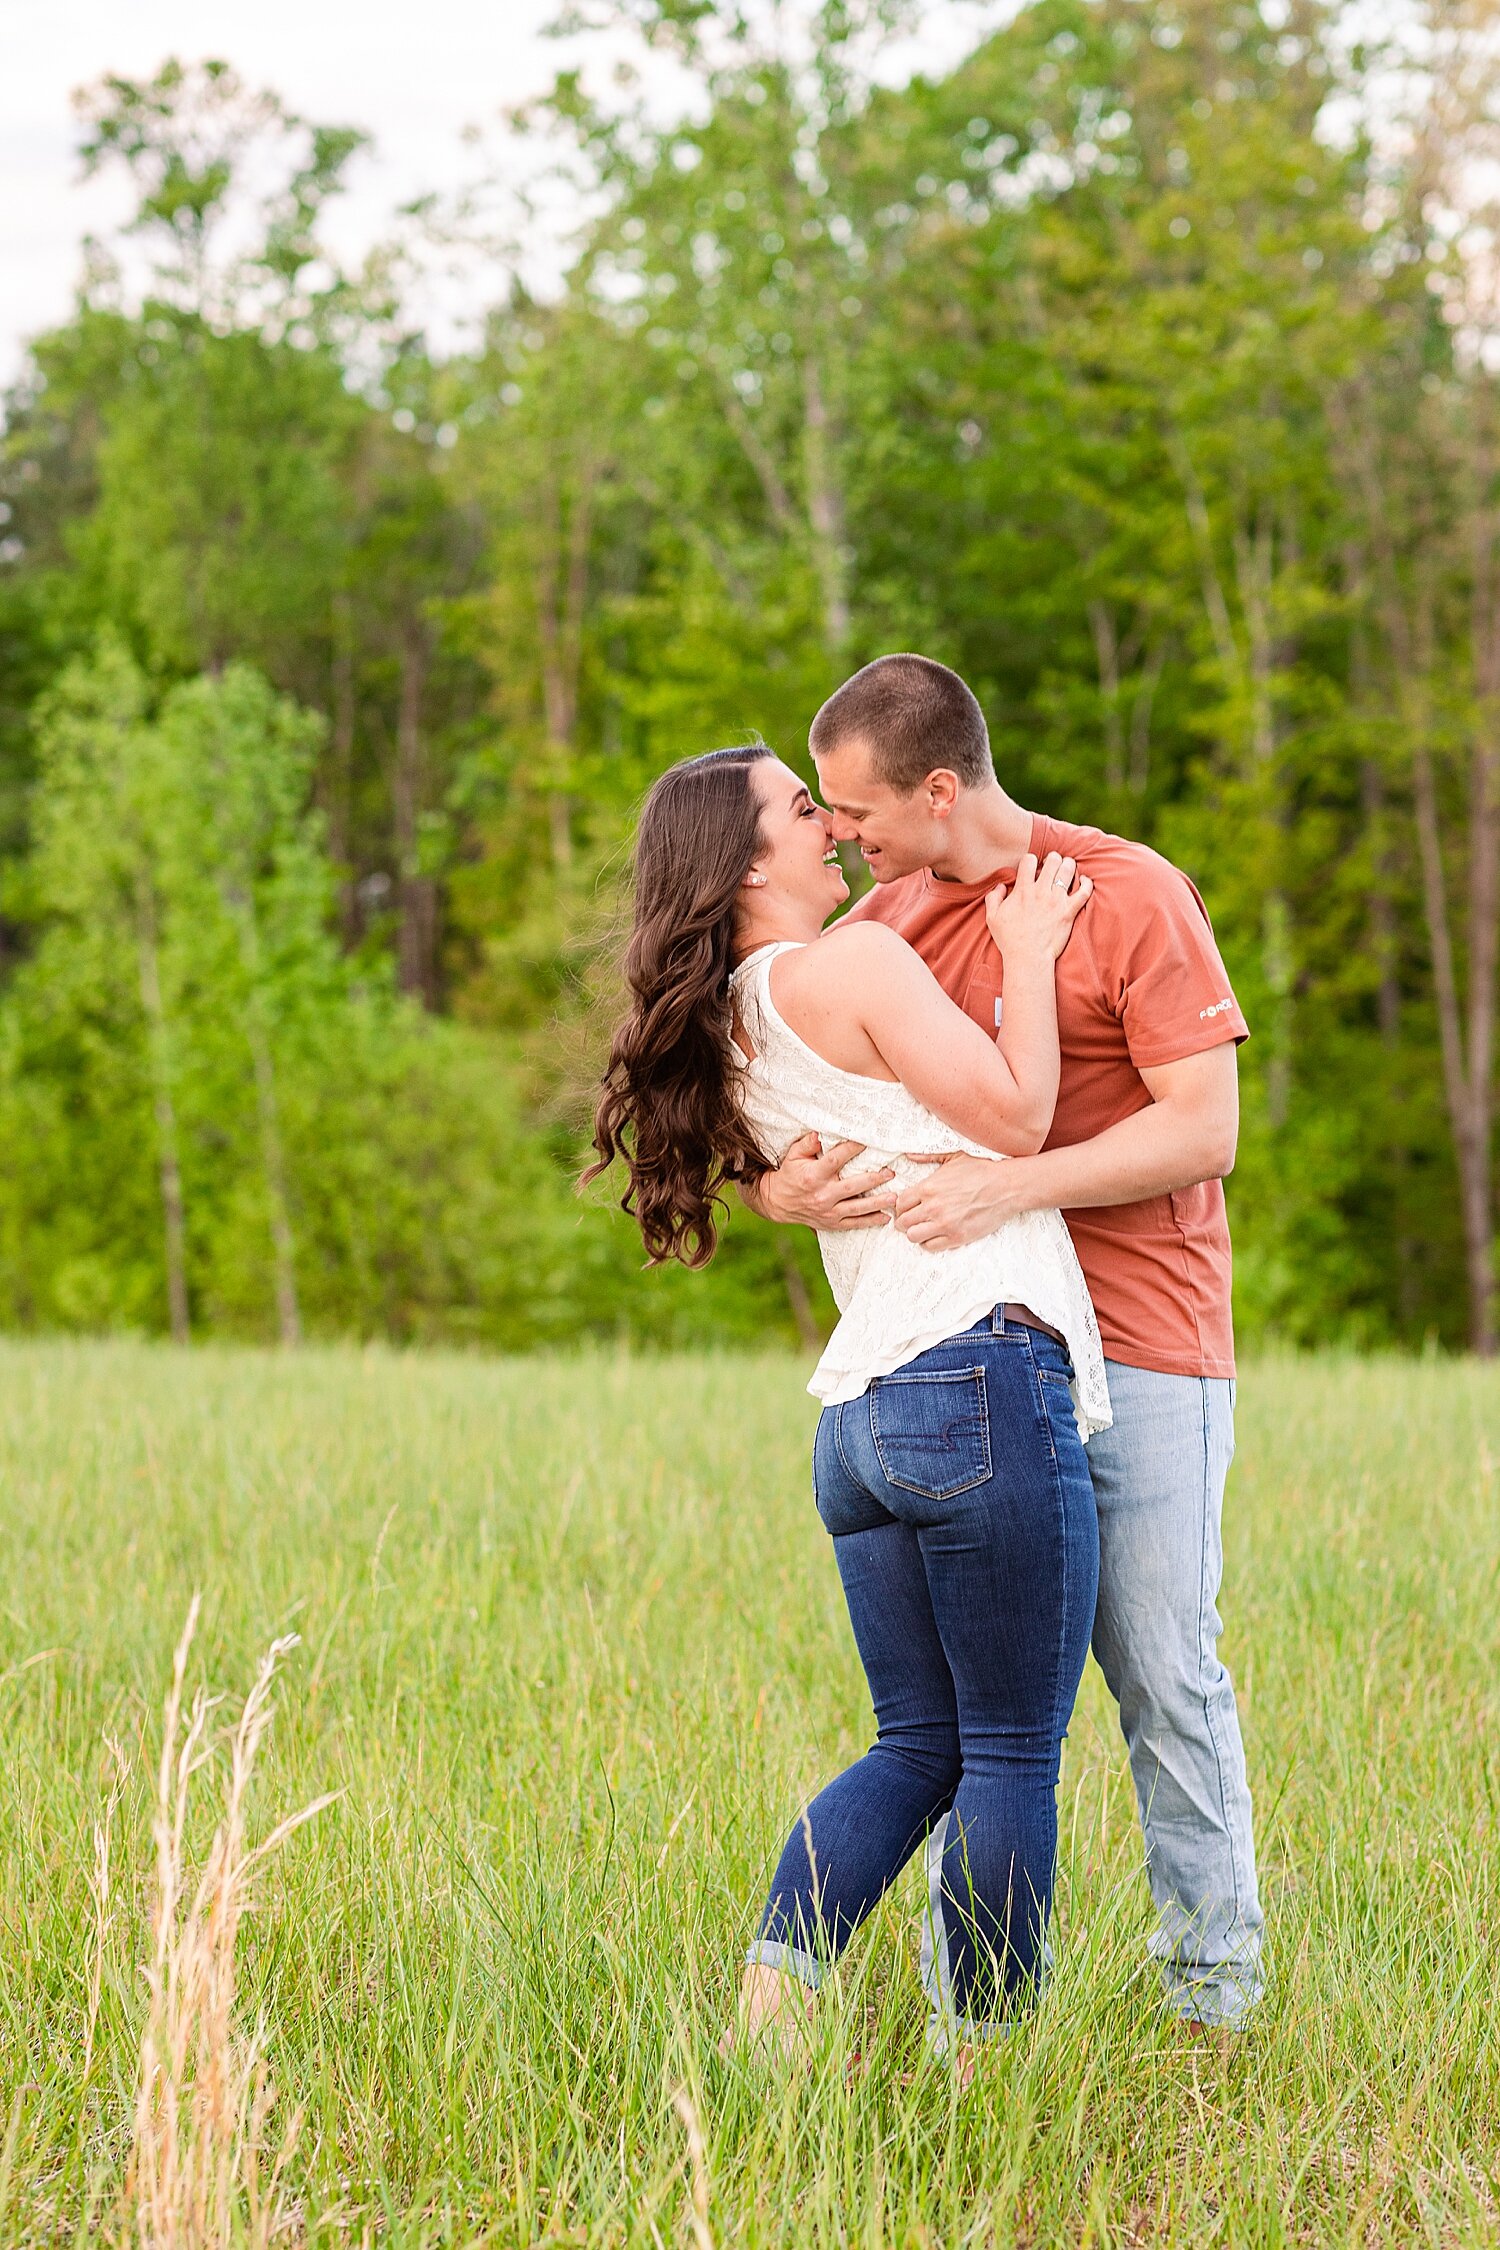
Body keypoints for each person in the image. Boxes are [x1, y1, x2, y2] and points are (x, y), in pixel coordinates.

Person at [744, 653, 1264, 2033]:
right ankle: (968, 2016)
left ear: (934, 787)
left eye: (852, 810)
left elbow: (1204, 1128)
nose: (839, 835)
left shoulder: (1124, 891)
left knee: (1160, 1668)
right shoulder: (892, 925)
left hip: (1142, 1338)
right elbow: (784, 1088)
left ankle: (1211, 1998)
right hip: (980, 1363)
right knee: (983, 1728)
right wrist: (774, 1189)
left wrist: (1010, 1186)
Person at [587, 741, 1108, 2065]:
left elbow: (768, 1166)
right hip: (979, 1367)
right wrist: (1035, 949)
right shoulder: (860, 964)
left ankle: (774, 2012)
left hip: (863, 1420)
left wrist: (774, 1192)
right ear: (747, 855)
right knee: (1006, 1754)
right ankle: (986, 2064)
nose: (827, 826)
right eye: (798, 809)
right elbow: (1024, 1117)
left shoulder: (726, 1014)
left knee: (916, 1741)